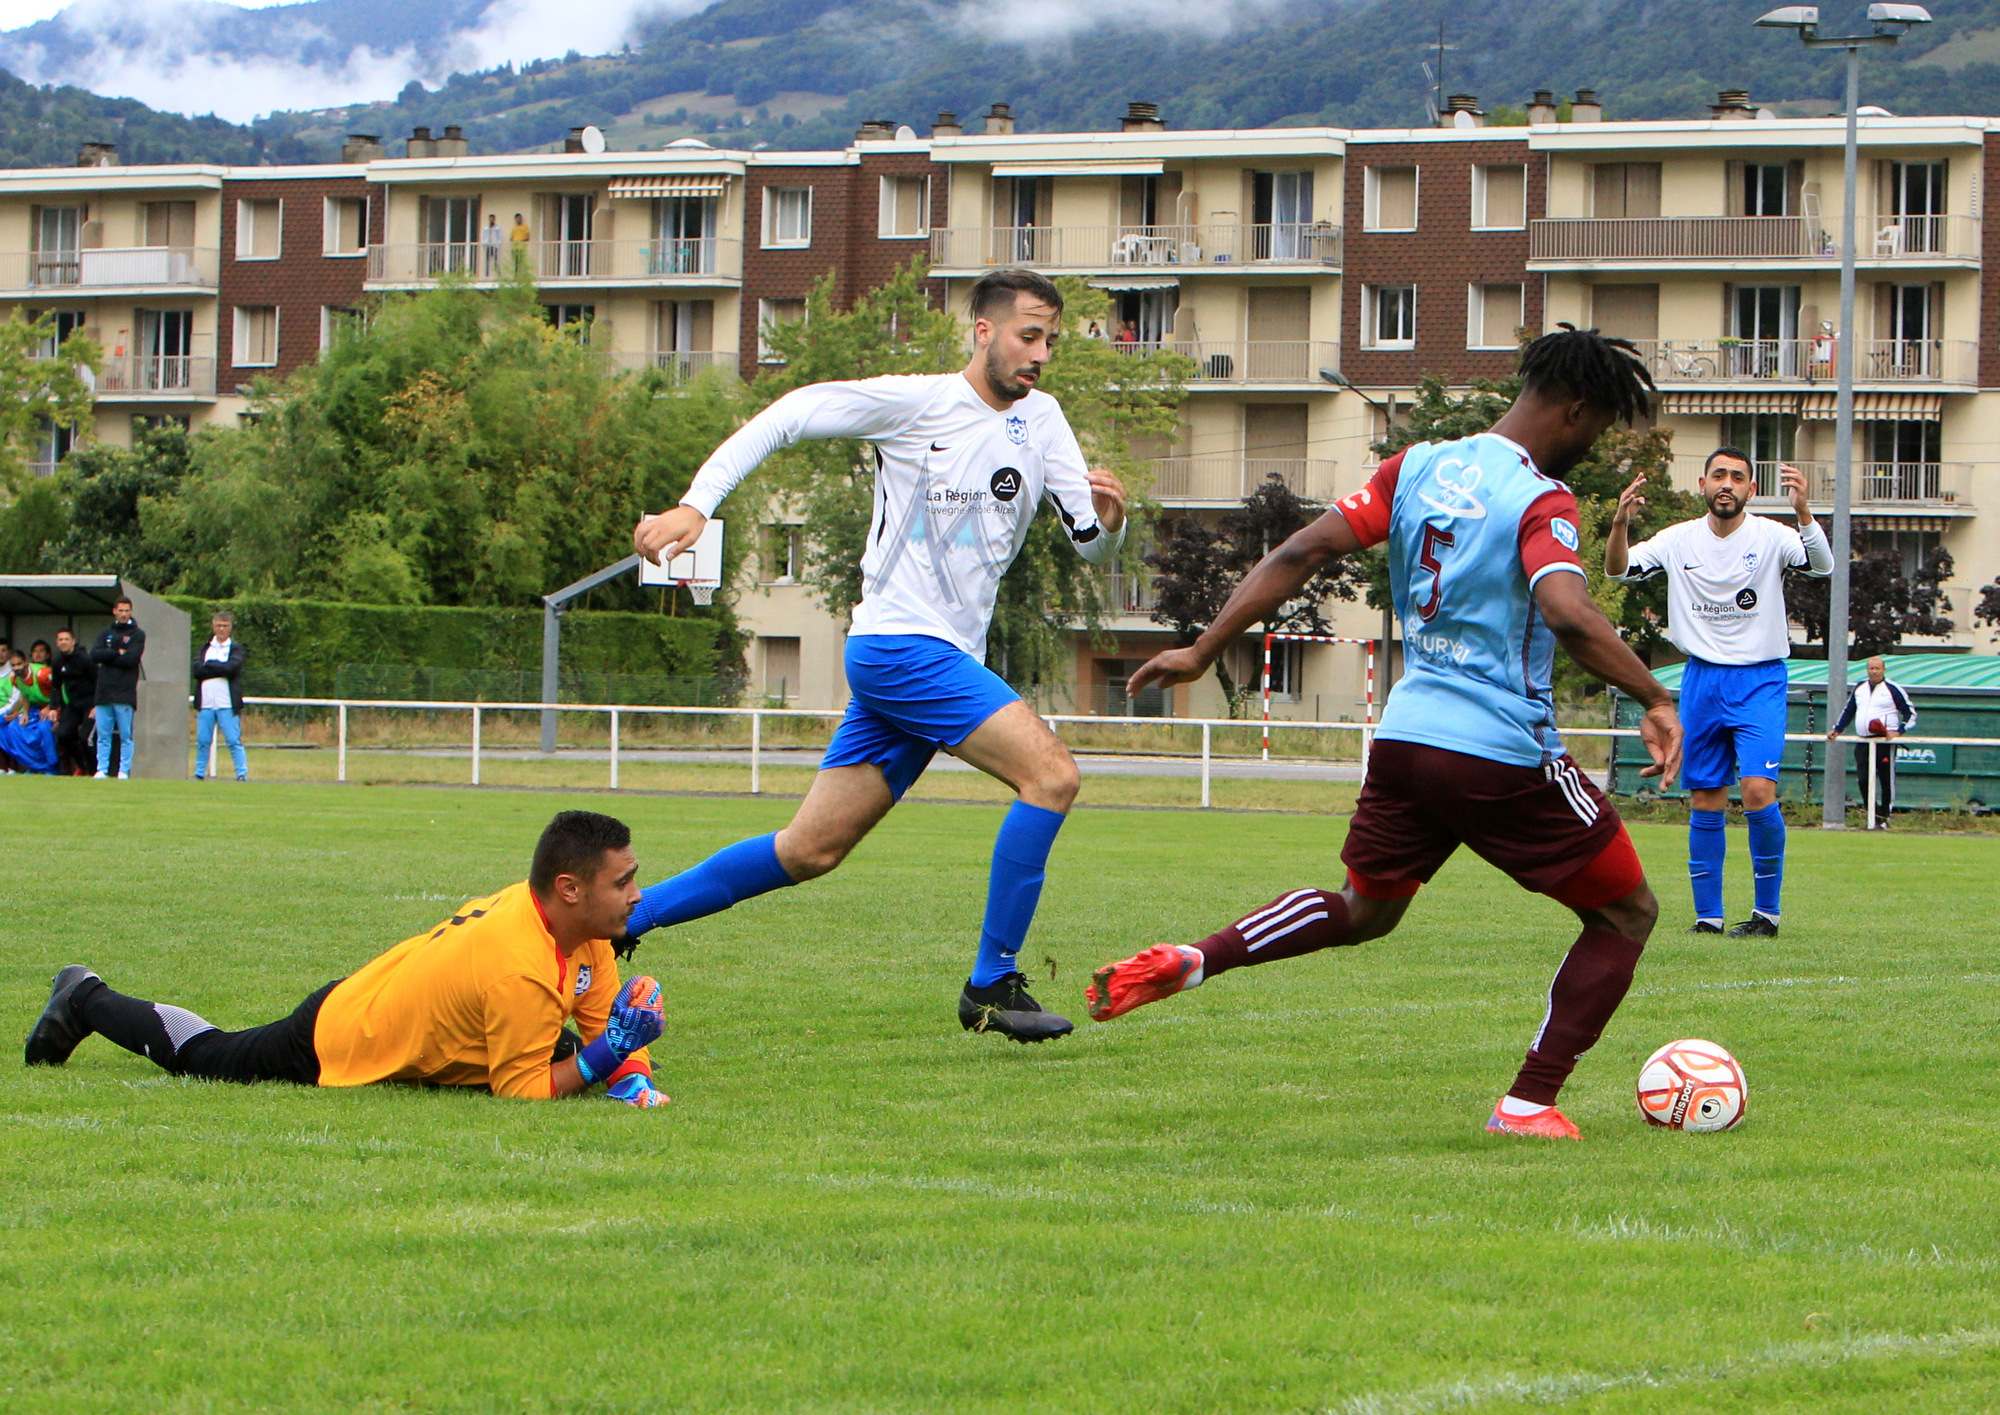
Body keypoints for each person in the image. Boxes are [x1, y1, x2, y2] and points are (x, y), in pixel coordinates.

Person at [1087, 325, 1683, 1141]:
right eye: (1601, 427)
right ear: (1577, 411)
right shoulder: (1542, 498)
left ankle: (1199, 957)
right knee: (1627, 913)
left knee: (1366, 909)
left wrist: (1202, 646)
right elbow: (1567, 612)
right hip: (1500, 750)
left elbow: (1300, 548)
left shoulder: (1416, 467)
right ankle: (1528, 1102)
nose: (1594, 443)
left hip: (1403, 740)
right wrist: (1654, 694)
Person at [627, 268, 1128, 1042]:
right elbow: (792, 413)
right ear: (983, 331)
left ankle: (627, 918)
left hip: (930, 659)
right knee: (1052, 775)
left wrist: (1108, 523)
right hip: (900, 646)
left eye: (1051, 340)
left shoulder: (1045, 420)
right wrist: (700, 503)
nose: (1041, 354)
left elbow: (1089, 546)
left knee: (810, 849)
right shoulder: (920, 403)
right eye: (1029, 335)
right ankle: (991, 983)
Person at [23, 811, 670, 1107]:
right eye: (623, 882)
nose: (637, 895)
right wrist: (608, 1055)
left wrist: (631, 1072)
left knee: (561, 1048)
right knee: (210, 1058)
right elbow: (521, 1091)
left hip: (381, 996)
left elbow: (599, 1021)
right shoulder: (520, 965)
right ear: (569, 888)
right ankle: (84, 997)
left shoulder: (583, 929)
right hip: (339, 1035)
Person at [1605, 449, 1834, 937]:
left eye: (1737, 477)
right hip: (1702, 680)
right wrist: (1620, 524)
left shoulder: (1773, 536)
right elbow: (1618, 571)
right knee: (1706, 797)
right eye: (1718, 475)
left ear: (1751, 489)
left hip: (1760, 679)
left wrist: (1804, 513)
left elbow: (1822, 566)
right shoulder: (1677, 539)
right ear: (1703, 485)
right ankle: (1707, 919)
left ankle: (1766, 916)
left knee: (1756, 791)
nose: (1727, 483)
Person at [1830, 655, 1916, 829]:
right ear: (1867, 670)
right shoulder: (1859, 688)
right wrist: (1837, 728)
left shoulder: (1892, 689)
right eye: (1871, 668)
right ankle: (1873, 814)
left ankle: (1885, 816)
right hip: (1863, 741)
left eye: (1877, 668)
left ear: (1883, 670)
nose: (1874, 671)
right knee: (1863, 780)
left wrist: (1898, 731)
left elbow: (1911, 714)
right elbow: (1849, 710)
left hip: (1883, 742)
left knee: (1885, 779)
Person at [89, 597, 146, 779]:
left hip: (124, 692)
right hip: (104, 691)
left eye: (126, 610)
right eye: (120, 610)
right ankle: (102, 769)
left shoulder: (138, 634)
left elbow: (131, 659)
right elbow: (95, 655)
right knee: (103, 734)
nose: (123, 614)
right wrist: (116, 652)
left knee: (125, 735)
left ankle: (123, 770)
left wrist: (110, 656)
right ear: (114, 611)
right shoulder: (106, 632)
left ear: (131, 611)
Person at [193, 610, 249, 782]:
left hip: (227, 703)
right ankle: (199, 772)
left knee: (233, 740)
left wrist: (210, 666)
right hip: (207, 703)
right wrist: (218, 668)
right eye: (219, 625)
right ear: (213, 626)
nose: (222, 629)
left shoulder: (236, 648)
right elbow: (197, 670)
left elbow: (232, 669)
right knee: (203, 740)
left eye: (225, 626)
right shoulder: (205, 648)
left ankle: (241, 773)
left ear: (230, 628)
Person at [0, 645, 58, 774]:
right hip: (34, 709)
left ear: (26, 662)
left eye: (19, 664)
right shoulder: (14, 678)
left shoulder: (42, 673)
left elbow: (58, 690)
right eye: (13, 665)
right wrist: (24, 713)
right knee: (13, 727)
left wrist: (50, 707)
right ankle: (33, 766)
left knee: (44, 729)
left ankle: (52, 768)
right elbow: (25, 695)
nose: (16, 668)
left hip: (53, 708)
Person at [50, 627, 95, 775]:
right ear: (57, 642)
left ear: (73, 641)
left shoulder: (85, 659)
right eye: (60, 640)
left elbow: (97, 681)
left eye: (66, 639)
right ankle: (81, 765)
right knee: (62, 735)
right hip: (73, 704)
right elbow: (56, 687)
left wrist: (96, 705)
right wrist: (53, 707)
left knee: (84, 737)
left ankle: (94, 770)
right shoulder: (57, 662)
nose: (63, 642)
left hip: (89, 703)